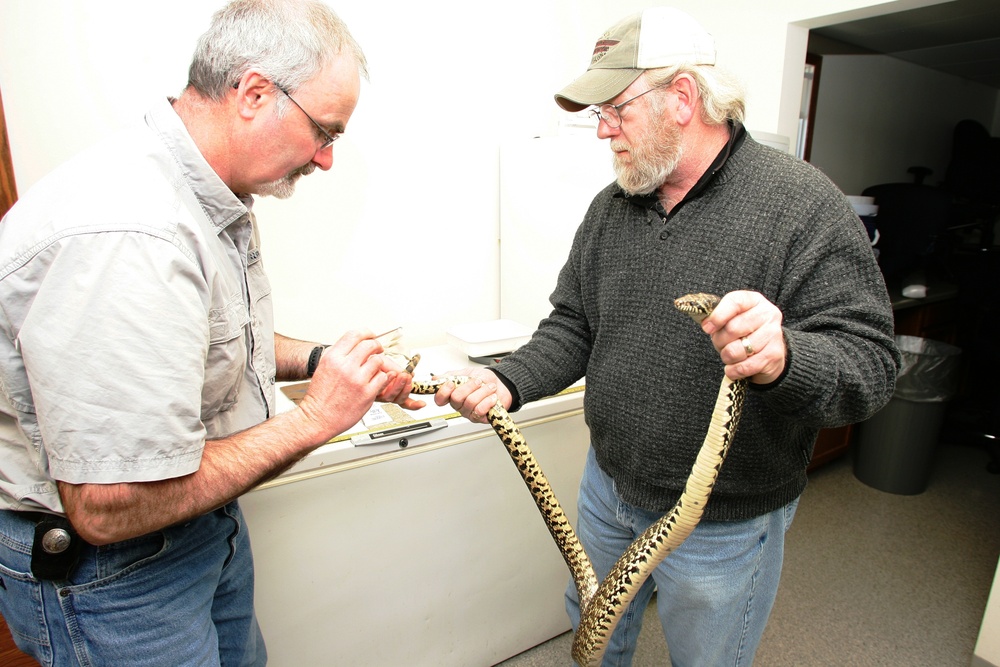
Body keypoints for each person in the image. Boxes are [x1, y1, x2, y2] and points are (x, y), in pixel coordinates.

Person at [436, 7, 900, 665]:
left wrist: (786, 356)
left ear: (682, 98)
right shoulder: (610, 209)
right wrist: (507, 379)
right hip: (608, 488)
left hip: (723, 524)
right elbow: (574, 324)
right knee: (595, 637)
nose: (603, 131)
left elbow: (873, 364)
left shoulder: (802, 206)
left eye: (616, 110)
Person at [0, 1, 420, 664]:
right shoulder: (130, 234)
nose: (327, 158)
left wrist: (321, 360)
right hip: (117, 575)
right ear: (254, 93)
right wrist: (318, 417)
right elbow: (111, 505)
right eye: (324, 132)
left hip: (198, 527)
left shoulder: (207, 194)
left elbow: (213, 337)